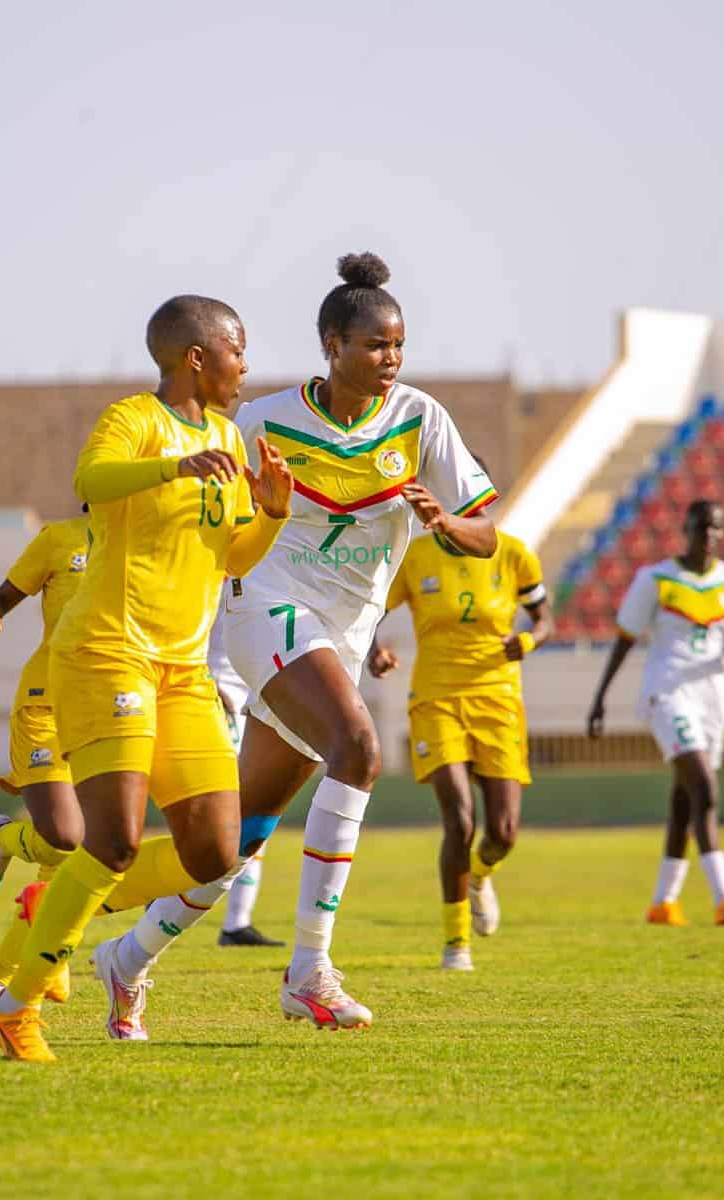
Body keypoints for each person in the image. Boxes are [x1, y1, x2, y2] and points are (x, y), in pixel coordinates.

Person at [88, 252, 498, 1033]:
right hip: (264, 609)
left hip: (336, 643)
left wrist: (446, 523)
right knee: (358, 747)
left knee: (230, 843)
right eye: (375, 345)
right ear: (330, 345)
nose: (390, 361)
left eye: (398, 347)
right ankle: (310, 970)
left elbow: (485, 532)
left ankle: (125, 958)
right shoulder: (263, 419)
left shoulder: (419, 417)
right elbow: (198, 518)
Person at [0, 294, 293, 1062]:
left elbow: (228, 560)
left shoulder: (226, 434)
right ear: (196, 356)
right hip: (106, 651)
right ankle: (17, 1007)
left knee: (218, 853)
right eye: (238, 350)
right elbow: (92, 477)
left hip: (183, 669)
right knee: (114, 841)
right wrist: (173, 465)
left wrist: (272, 514)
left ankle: (50, 901)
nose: (245, 366)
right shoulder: (136, 419)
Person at [368, 472, 550, 970]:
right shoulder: (417, 556)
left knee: (505, 831)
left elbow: (544, 616)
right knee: (460, 819)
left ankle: (479, 875)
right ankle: (456, 945)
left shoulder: (513, 553)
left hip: (498, 701)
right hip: (437, 700)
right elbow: (371, 613)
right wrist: (374, 648)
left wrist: (529, 640)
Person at [586, 499, 724, 927]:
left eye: (716, 527)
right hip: (667, 692)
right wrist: (600, 697)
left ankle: (663, 903)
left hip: (713, 697)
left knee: (686, 798)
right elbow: (625, 638)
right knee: (705, 787)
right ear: (685, 529)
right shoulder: (656, 579)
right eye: (702, 526)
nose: (709, 534)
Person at [0, 510, 91, 1014]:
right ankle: (3, 839)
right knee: (65, 834)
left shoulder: (148, 542)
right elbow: (2, 597)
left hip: (109, 709)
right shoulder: (59, 540)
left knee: (68, 862)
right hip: (45, 704)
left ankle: (0, 976)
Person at [209, 590, 283, 947]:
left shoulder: (266, 568)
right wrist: (207, 683)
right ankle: (156, 895)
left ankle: (237, 923)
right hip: (216, 700)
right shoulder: (208, 573)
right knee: (215, 810)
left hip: (254, 702)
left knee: (253, 813)